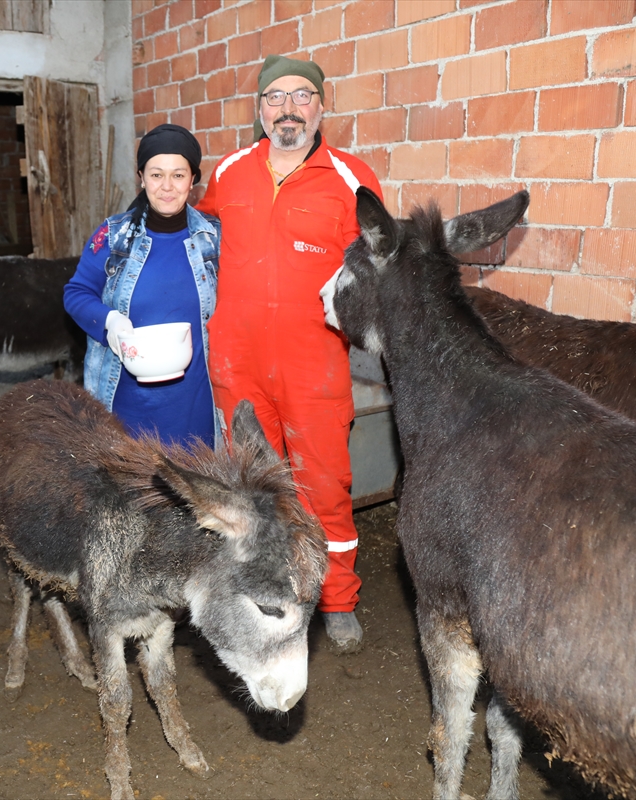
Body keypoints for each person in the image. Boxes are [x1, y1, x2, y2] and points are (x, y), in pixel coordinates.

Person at [197, 55, 384, 654]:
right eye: (274, 97)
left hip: (314, 365)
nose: (287, 108)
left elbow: (377, 271)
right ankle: (258, 588)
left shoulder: (352, 180)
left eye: (301, 96)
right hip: (237, 362)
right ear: (259, 110)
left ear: (321, 106)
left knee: (323, 485)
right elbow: (196, 246)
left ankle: (338, 600)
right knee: (248, 485)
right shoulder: (229, 172)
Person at [63, 123, 220, 449]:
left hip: (196, 404)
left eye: (178, 175)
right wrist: (110, 322)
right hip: (127, 406)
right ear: (141, 177)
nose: (167, 186)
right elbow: (76, 293)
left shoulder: (213, 238)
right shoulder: (114, 237)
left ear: (193, 180)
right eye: (156, 174)